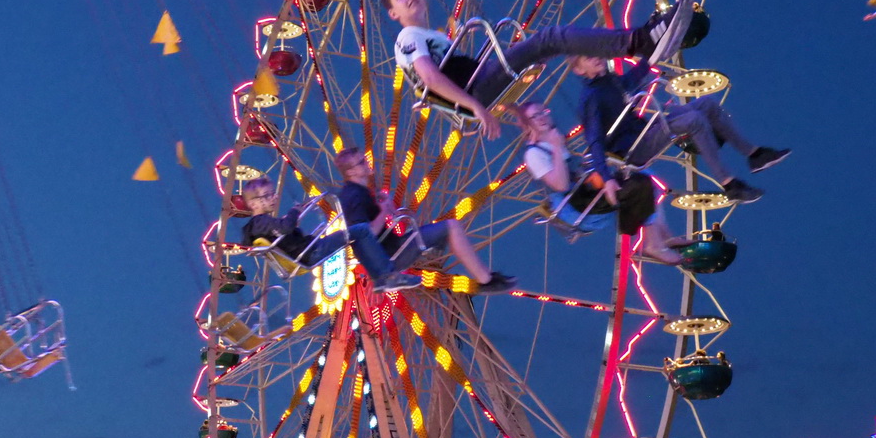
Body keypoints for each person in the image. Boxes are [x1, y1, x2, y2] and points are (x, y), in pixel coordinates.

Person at [383, 0, 694, 139]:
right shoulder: (407, 37)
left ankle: (641, 44)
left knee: (552, 43)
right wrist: (478, 107)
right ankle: (640, 41)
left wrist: (513, 109)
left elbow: (458, 77)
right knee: (550, 39)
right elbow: (430, 79)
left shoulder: (433, 36)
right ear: (393, 13)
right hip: (477, 89)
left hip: (482, 83)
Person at [570, 55, 789, 205]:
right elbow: (595, 141)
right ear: (579, 70)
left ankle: (754, 154)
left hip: (644, 129)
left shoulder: (611, 81)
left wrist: (655, 49)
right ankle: (729, 184)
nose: (597, 58)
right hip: (632, 150)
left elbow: (633, 79)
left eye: (597, 53)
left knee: (707, 104)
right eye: (589, 58)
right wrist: (607, 178)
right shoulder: (591, 99)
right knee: (693, 119)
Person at [515, 101, 690, 264]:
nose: (541, 117)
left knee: (643, 172)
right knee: (639, 185)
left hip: (587, 193)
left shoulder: (556, 140)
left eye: (542, 112)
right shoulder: (533, 154)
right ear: (527, 124)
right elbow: (560, 185)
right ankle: (654, 245)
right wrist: (555, 146)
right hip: (577, 208)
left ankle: (665, 236)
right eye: (534, 116)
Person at [332, 147, 516, 294]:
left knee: (447, 230)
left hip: (394, 247)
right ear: (351, 172)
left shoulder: (362, 192)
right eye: (362, 162)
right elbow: (366, 234)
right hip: (391, 256)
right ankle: (486, 281)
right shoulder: (353, 196)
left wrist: (387, 207)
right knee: (451, 226)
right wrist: (382, 211)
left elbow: (392, 220)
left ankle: (480, 275)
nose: (367, 163)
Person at [238, 177, 418, 290]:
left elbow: (282, 231)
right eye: (268, 195)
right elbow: (285, 227)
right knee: (362, 230)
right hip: (311, 251)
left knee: (354, 236)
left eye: (273, 194)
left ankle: (382, 271)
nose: (274, 197)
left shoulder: (257, 227)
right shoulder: (261, 222)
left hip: (307, 252)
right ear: (253, 204)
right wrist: (294, 212)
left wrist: (295, 216)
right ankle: (387, 275)